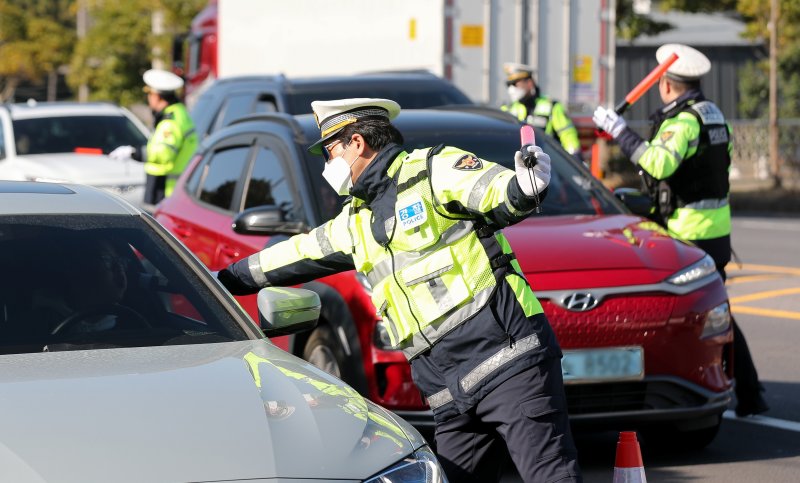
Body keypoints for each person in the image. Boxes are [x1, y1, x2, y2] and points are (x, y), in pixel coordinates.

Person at [217, 98, 582, 482]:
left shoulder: (431, 170)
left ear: (356, 142)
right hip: (448, 390)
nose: (327, 164)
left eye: (330, 151)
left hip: (508, 363)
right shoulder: (357, 218)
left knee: (551, 475)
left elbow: (495, 191)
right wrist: (221, 279)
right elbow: (298, 252)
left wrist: (524, 186)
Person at [592, 43, 769, 418]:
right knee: (717, 312)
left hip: (688, 230)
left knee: (705, 317)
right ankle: (750, 395)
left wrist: (621, 132)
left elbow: (658, 164)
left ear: (667, 86)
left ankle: (742, 393)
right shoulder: (713, 114)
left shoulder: (684, 122)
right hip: (716, 229)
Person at [109, 69, 198, 206]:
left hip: (165, 191)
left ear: (157, 95)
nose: (148, 98)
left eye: (149, 94)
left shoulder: (170, 122)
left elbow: (163, 154)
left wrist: (134, 152)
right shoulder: (179, 114)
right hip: (168, 190)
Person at [502, 62, 584, 161]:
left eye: (516, 84)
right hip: (516, 163)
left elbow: (568, 135)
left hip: (546, 164)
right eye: (509, 85)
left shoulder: (552, 107)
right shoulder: (507, 110)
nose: (512, 89)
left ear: (529, 83)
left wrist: (574, 158)